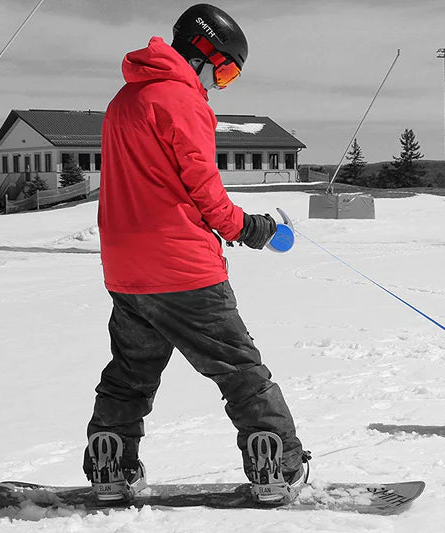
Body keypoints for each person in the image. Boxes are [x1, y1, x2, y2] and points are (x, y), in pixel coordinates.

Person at [83, 3, 307, 505]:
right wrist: (254, 229)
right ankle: (277, 467)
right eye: (225, 71)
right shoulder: (181, 100)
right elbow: (205, 191)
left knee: (129, 374)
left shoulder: (125, 100)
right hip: (182, 267)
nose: (219, 83)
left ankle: (110, 466)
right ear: (205, 53)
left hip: (126, 268)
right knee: (239, 371)